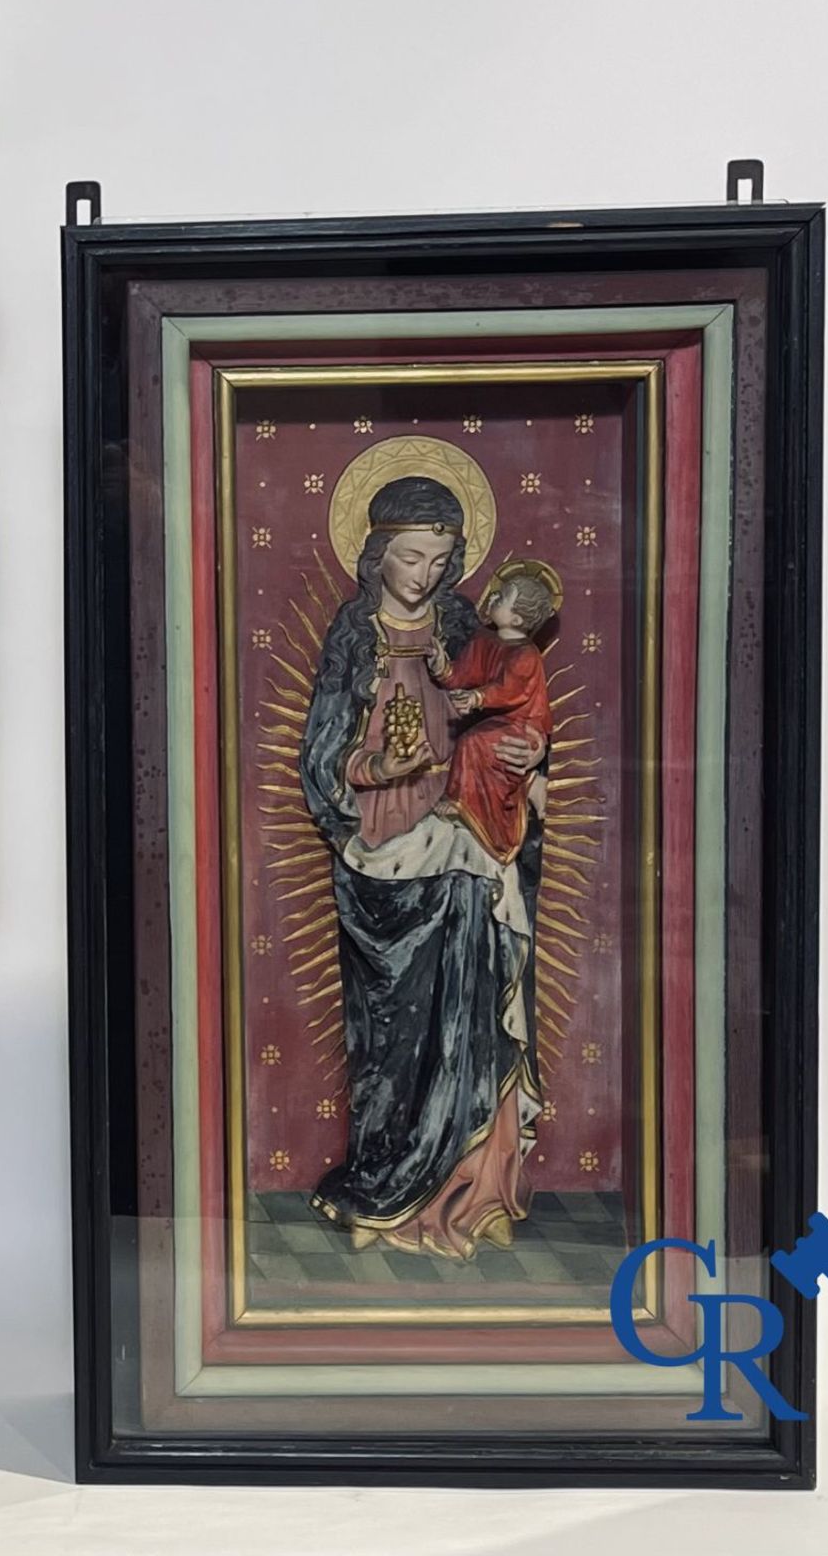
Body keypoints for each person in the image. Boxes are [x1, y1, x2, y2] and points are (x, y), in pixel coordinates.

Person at [299, 477, 546, 1259]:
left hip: (467, 841)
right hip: (383, 855)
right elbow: (323, 757)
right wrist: (375, 767)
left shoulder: (470, 625)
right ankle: (387, 1182)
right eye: (410, 556)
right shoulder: (353, 632)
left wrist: (531, 752)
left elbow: (518, 712)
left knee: (472, 1014)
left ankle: (471, 1189)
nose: (426, 575)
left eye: (440, 559)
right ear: (376, 556)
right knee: (397, 1034)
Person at [433, 560, 559, 863]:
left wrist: (476, 698)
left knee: (473, 743)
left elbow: (510, 689)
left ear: (516, 618)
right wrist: (441, 667)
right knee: (477, 742)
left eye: (501, 598)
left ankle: (471, 807)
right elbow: (462, 674)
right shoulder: (483, 640)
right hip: (499, 722)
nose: (491, 598)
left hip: (523, 726)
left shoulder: (525, 654)